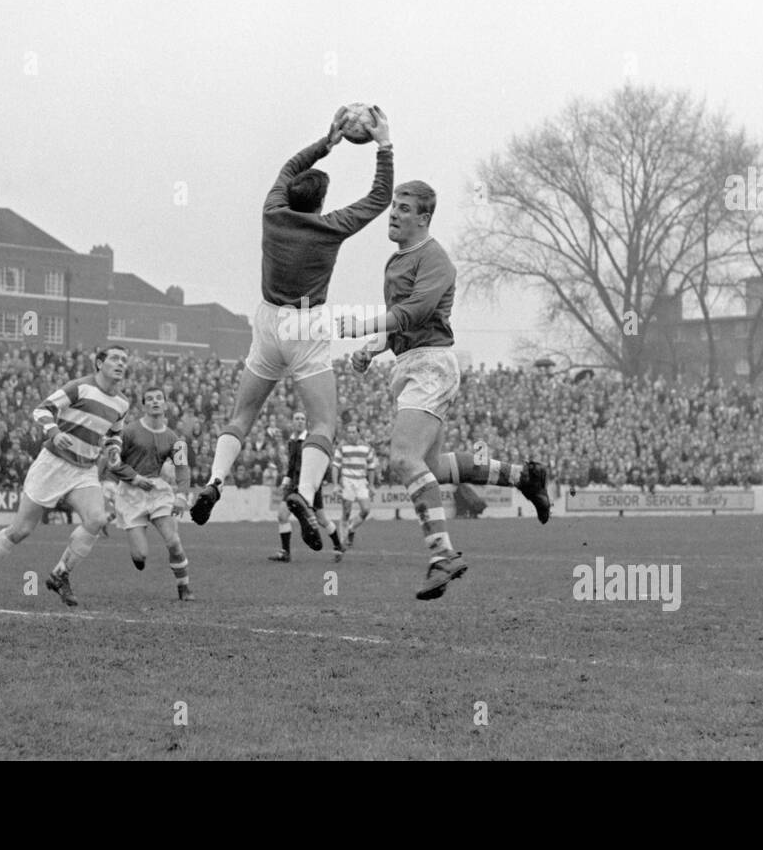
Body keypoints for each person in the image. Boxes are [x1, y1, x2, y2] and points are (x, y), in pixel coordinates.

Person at [189, 106, 393, 553]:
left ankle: (214, 481)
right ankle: (303, 491)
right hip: (306, 323)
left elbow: (289, 169)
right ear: (320, 204)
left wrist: (326, 141)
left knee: (241, 417)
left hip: (266, 321)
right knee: (323, 421)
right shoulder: (330, 228)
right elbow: (380, 198)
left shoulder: (272, 212)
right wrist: (384, 145)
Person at [338, 180, 553, 599]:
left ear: (424, 218)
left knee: (402, 457)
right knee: (430, 469)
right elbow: (401, 319)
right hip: (410, 364)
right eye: (393, 207)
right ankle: (523, 477)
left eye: (404, 208)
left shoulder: (435, 258)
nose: (394, 213)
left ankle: (442, 555)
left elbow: (417, 310)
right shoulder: (396, 261)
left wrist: (364, 326)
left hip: (432, 365)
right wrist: (372, 346)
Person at [0, 345, 132, 610]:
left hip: (84, 469)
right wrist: (55, 433)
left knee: (97, 519)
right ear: (99, 363)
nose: (120, 363)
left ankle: (60, 574)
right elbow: (42, 409)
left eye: (124, 360)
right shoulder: (79, 387)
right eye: (114, 358)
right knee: (20, 531)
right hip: (53, 465)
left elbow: (114, 433)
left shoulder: (122, 403)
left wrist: (113, 451)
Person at [96, 386, 195, 601]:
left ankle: (184, 587)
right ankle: (138, 552)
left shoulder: (174, 438)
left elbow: (182, 468)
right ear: (143, 406)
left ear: (166, 404)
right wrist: (134, 477)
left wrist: (181, 495)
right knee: (140, 555)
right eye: (149, 399)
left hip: (157, 491)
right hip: (131, 493)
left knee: (174, 542)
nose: (155, 402)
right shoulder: (129, 431)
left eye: (159, 398)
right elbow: (113, 461)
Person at [269, 411, 340, 562]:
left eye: (302, 419)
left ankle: (338, 546)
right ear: (292, 422)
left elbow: (323, 461)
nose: (300, 421)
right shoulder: (292, 441)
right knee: (282, 515)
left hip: (309, 486)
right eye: (297, 419)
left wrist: (322, 480)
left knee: (321, 519)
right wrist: (286, 481)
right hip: (293, 484)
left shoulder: (311, 441)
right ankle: (285, 552)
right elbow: (291, 465)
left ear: (306, 423)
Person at [332, 423, 378, 547]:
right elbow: (335, 466)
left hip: (362, 481)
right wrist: (335, 484)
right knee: (346, 512)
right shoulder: (342, 447)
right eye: (349, 432)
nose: (351, 435)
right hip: (347, 480)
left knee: (366, 510)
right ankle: (342, 541)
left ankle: (351, 529)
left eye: (353, 432)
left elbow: (371, 467)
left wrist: (372, 485)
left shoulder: (366, 448)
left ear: (358, 433)